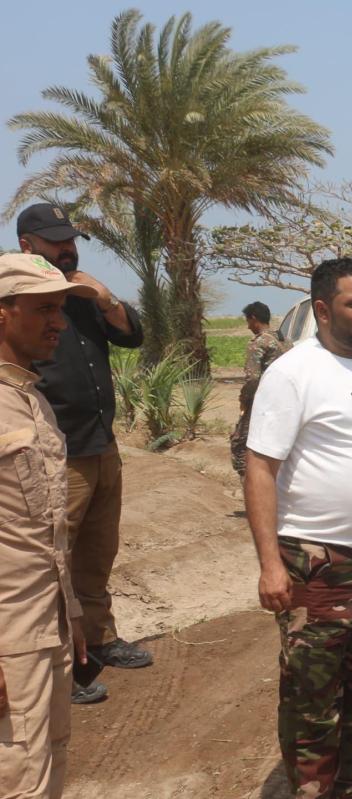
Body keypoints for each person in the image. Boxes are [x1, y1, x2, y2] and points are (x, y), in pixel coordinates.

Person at [244, 257, 352, 799]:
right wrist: (271, 564)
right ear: (322, 310)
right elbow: (260, 467)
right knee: (312, 696)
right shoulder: (294, 374)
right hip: (317, 561)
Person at [17, 202, 149, 703]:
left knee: (97, 554)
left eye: (70, 240)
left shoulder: (82, 295)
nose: (67, 249)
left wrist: (105, 296)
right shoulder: (23, 301)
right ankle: (59, 666)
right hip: (57, 452)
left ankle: (101, 640)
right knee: (53, 560)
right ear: (28, 246)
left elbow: (133, 335)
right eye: (56, 241)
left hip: (101, 443)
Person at [0, 253, 97, 798]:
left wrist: (73, 613)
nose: (58, 322)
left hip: (47, 627)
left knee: (48, 765)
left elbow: (47, 533)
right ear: (2, 313)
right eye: (44, 309)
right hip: (9, 637)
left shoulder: (32, 401)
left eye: (60, 309)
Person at [230, 301, 288, 477]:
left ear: (254, 318)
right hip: (287, 401)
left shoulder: (259, 342)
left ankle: (251, 489)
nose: (248, 326)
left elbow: (253, 379)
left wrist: (244, 401)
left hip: (264, 402)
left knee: (240, 444)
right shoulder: (285, 341)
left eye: (248, 321)